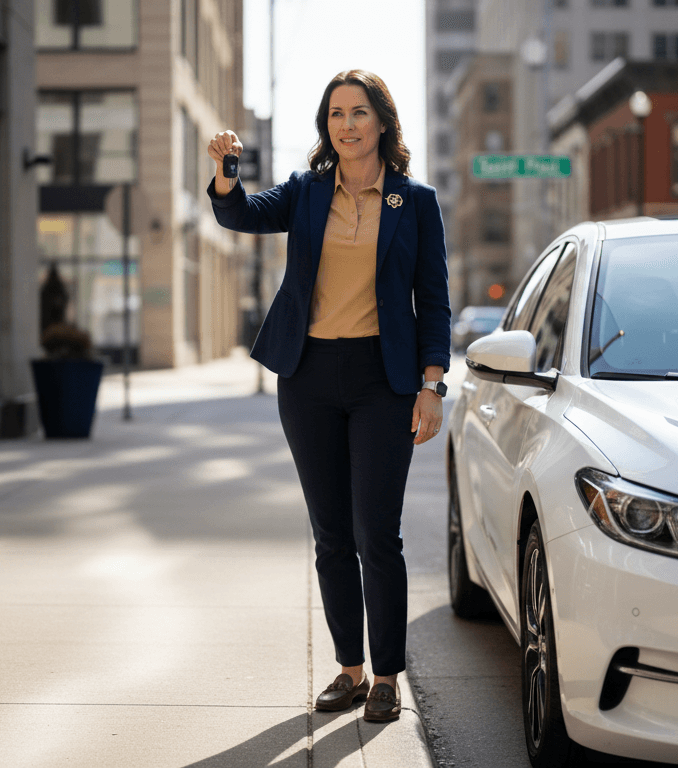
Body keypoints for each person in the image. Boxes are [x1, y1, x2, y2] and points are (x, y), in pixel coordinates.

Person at [206, 70, 450, 723]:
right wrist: (228, 173)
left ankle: (388, 677)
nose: (347, 124)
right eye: (336, 113)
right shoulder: (308, 193)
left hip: (382, 380)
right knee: (331, 533)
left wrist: (432, 385)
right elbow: (241, 214)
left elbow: (433, 299)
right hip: (308, 376)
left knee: (378, 533)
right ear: (327, 125)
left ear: (381, 122)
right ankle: (349, 670)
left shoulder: (414, 201)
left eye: (359, 112)